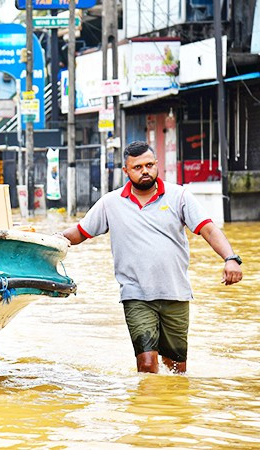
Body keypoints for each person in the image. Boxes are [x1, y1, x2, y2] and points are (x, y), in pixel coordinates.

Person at [57, 141, 243, 374]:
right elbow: (79, 233)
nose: (145, 171)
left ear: (156, 165)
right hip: (136, 294)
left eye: (149, 165)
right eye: (137, 167)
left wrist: (230, 258)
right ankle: (145, 408)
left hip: (176, 293)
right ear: (126, 171)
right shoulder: (110, 203)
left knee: (176, 369)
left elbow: (208, 229)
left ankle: (167, 409)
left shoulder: (179, 196)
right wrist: (48, 242)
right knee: (146, 364)